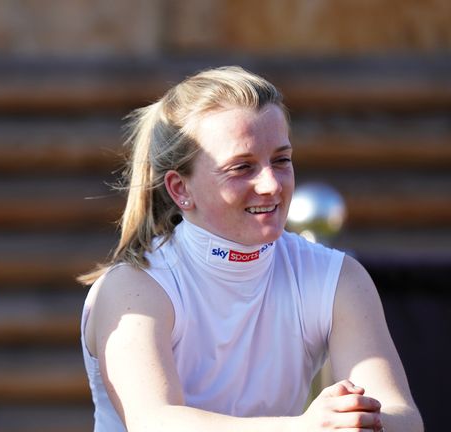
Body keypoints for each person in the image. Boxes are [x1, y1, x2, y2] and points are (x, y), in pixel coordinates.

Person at [79, 66, 422, 431]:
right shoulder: (134, 286)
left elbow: (404, 418)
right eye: (242, 167)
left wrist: (358, 416)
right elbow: (154, 422)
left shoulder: (338, 278)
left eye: (281, 160)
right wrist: (303, 428)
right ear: (180, 189)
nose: (271, 185)